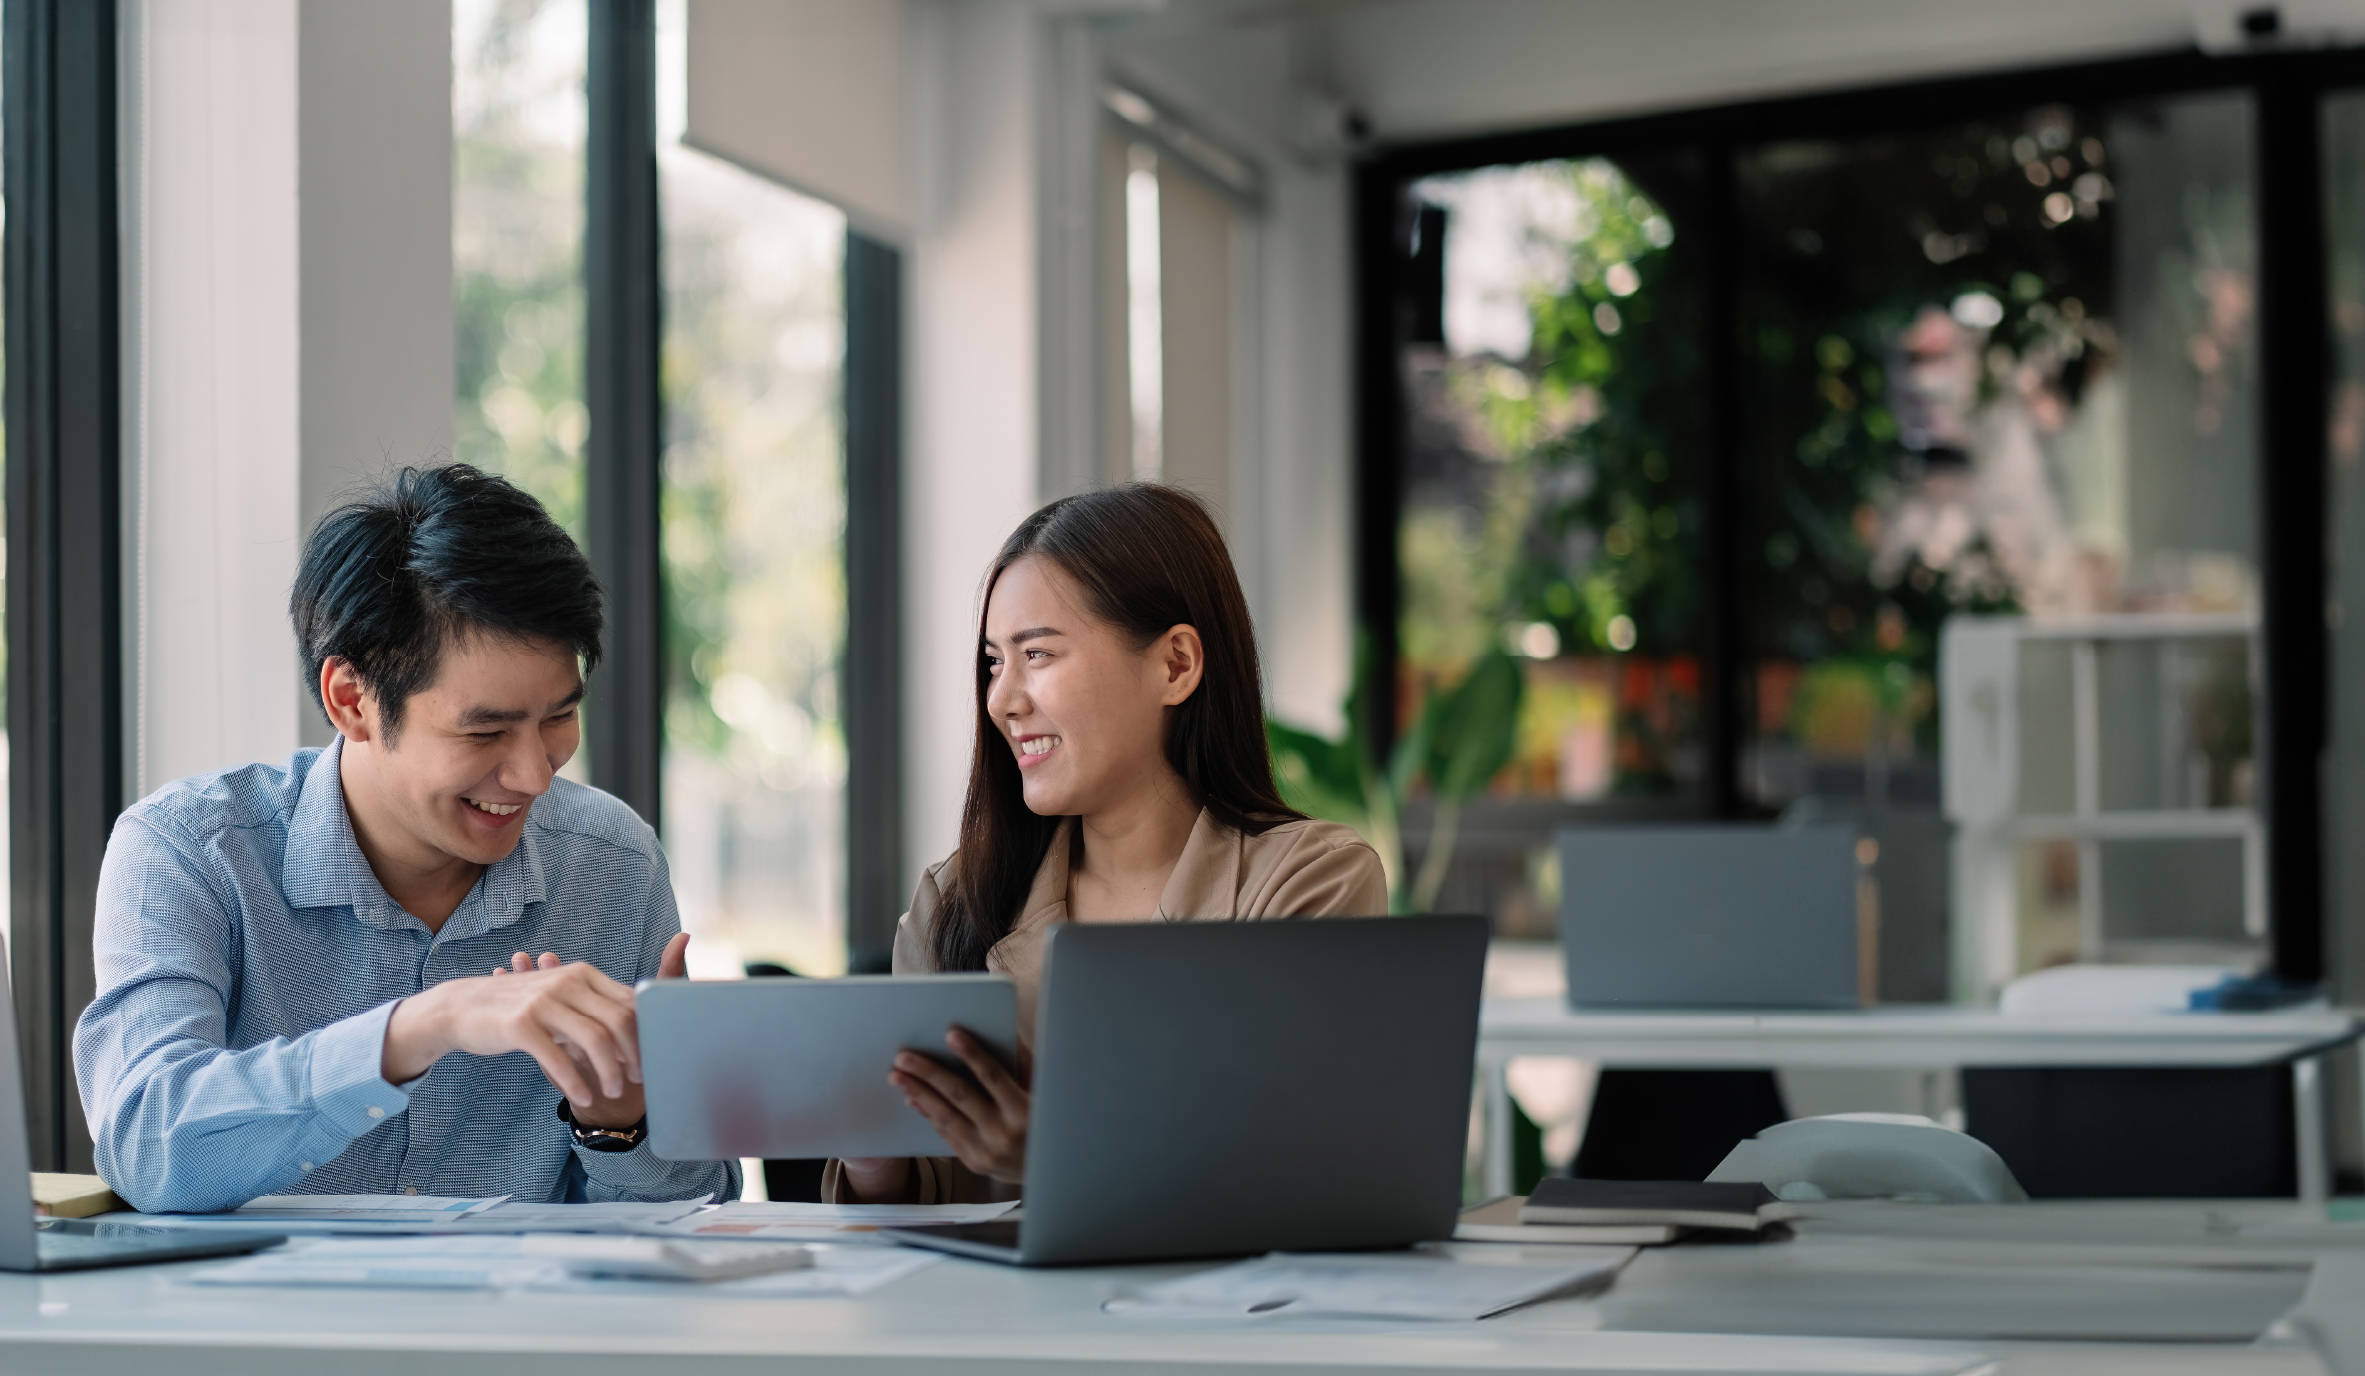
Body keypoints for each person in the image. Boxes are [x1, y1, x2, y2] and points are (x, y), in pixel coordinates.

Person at [77, 465, 740, 1213]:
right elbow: (147, 1142)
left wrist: (623, 1124)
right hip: (266, 1327)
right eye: (485, 729)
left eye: (557, 717)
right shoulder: (190, 851)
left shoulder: (611, 861)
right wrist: (425, 1025)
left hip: (525, 1327)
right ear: (351, 700)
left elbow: (695, 1213)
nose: (532, 776)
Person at [824, 484, 1389, 1204]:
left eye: (1039, 655)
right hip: (982, 1318)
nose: (1001, 699)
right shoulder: (957, 901)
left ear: (1176, 665)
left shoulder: (1312, 884)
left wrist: (1058, 1151)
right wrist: (874, 1158)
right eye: (995, 662)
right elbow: (919, 1208)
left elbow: (1306, 1175)